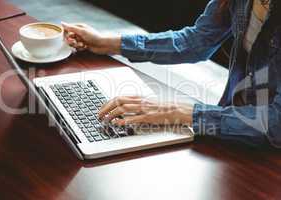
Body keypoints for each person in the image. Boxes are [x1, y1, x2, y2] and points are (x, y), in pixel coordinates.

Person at [62, 0, 281, 147]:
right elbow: (196, 41)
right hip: (228, 128)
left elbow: (276, 124)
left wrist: (179, 111)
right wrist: (108, 43)